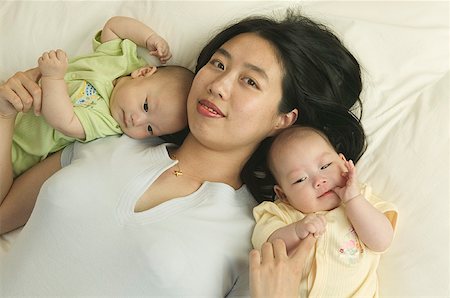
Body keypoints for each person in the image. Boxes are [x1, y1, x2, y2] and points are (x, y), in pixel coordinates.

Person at [0, 10, 366, 296]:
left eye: (250, 81)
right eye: (218, 64)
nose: (218, 85)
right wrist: (5, 115)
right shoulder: (106, 138)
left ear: (283, 119)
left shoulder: (255, 236)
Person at [9, 16, 194, 179]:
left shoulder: (107, 122)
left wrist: (53, 78)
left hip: (15, 150)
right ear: (143, 72)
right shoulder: (120, 60)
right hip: (13, 97)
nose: (136, 120)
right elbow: (114, 26)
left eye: (150, 128)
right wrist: (150, 38)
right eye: (145, 107)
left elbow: (63, 120)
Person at [252, 126, 398, 297]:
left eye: (325, 166)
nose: (319, 181)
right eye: (300, 179)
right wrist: (297, 231)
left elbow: (382, 241)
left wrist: (353, 200)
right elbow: (268, 247)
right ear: (282, 194)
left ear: (343, 162)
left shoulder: (362, 200)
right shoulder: (281, 213)